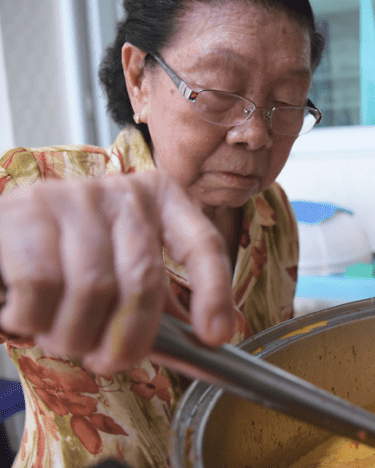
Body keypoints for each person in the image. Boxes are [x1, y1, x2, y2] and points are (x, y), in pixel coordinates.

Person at [0, 0, 325, 466]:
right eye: (219, 89)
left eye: (288, 100)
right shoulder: (36, 185)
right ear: (138, 80)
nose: (255, 133)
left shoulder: (274, 215)